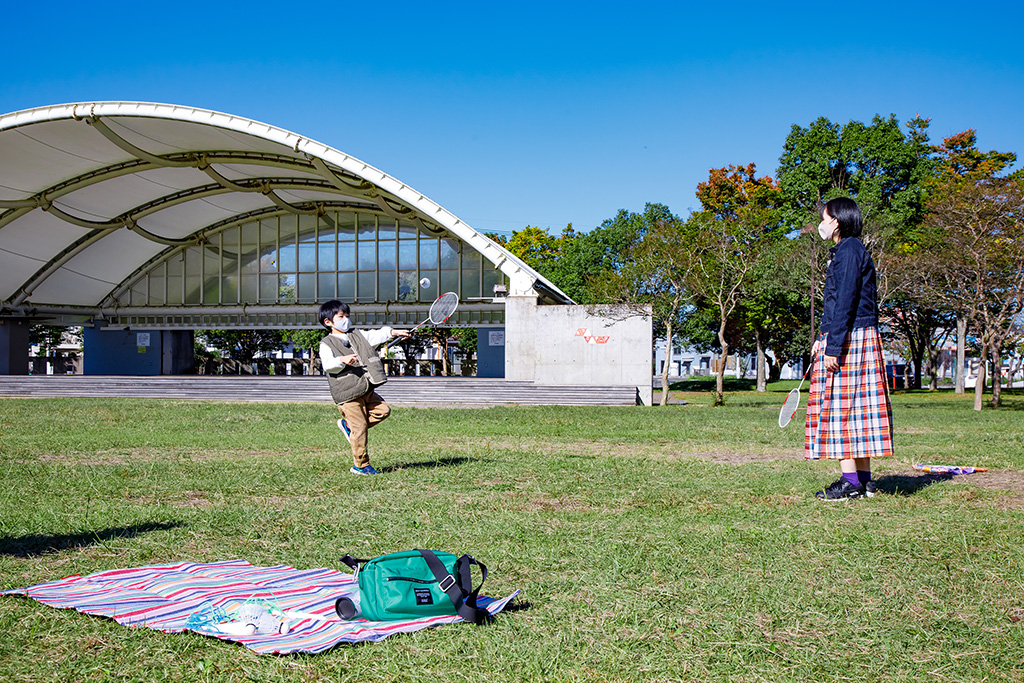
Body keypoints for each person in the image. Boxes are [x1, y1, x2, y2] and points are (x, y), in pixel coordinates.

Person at [805, 197, 894, 500]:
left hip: (852, 339)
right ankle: (865, 481)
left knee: (840, 411)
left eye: (825, 217)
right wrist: (823, 334)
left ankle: (850, 482)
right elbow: (836, 303)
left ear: (837, 221)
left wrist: (833, 345)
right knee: (859, 411)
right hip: (853, 335)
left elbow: (845, 300)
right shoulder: (847, 251)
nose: (821, 222)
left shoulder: (850, 250)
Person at [318, 300, 410, 475]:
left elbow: (378, 335)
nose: (346, 319)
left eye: (347, 316)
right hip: (348, 394)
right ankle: (360, 465)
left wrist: (393, 332)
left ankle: (349, 426)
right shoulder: (326, 343)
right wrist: (341, 360)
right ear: (328, 322)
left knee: (383, 411)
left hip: (366, 388)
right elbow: (328, 365)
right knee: (360, 429)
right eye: (341, 317)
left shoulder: (357, 335)